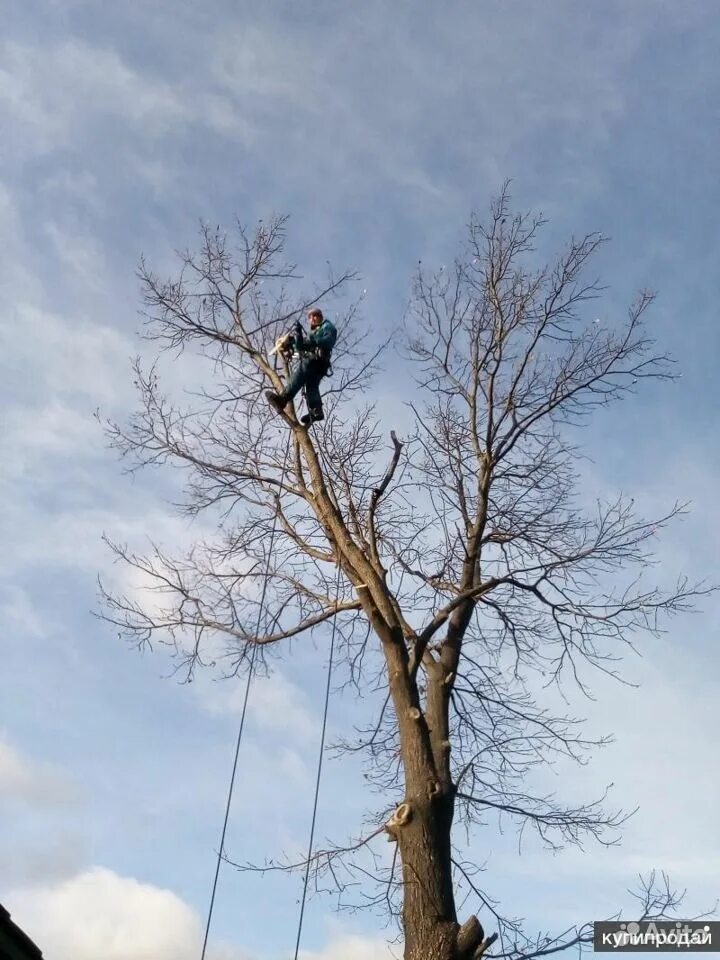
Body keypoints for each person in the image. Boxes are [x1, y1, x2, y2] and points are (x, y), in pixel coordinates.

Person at [266, 308, 337, 425]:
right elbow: (301, 347)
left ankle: (283, 399)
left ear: (320, 316)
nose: (312, 319)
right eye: (310, 317)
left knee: (300, 374)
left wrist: (314, 340)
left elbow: (328, 341)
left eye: (315, 316)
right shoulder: (311, 333)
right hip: (318, 365)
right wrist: (297, 336)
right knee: (311, 386)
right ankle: (316, 411)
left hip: (316, 361)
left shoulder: (327, 326)